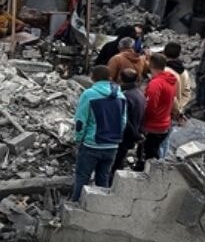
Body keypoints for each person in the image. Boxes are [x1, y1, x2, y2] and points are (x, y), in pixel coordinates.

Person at [70, 65, 127, 202]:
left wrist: (78, 139)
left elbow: (80, 122)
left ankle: (75, 208)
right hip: (112, 145)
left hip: (91, 144)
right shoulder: (121, 95)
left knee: (82, 178)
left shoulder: (89, 94)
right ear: (110, 78)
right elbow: (123, 122)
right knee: (103, 178)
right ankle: (101, 207)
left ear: (92, 77)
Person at [136, 54, 177, 169]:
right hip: (164, 123)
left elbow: (150, 105)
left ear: (150, 64)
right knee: (153, 153)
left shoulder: (156, 83)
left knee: (145, 156)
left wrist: (142, 119)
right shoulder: (169, 80)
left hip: (152, 125)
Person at [113, 69, 146, 172]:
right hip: (134, 131)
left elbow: (124, 119)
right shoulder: (139, 93)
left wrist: (134, 135)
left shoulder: (125, 96)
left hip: (125, 135)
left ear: (120, 78)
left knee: (115, 164)